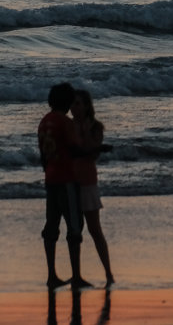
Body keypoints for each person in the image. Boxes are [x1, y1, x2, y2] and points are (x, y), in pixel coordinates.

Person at [38, 82, 91, 290]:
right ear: (67, 102)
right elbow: (74, 149)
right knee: (75, 228)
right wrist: (95, 150)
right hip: (67, 179)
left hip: (50, 179)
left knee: (51, 227)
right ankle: (76, 276)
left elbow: (43, 155)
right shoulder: (65, 122)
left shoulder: (44, 122)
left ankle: (52, 275)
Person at [70, 88, 115, 286]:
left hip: (87, 181)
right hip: (71, 180)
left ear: (87, 106)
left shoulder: (96, 127)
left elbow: (92, 153)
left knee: (95, 230)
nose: (74, 108)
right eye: (72, 104)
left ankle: (108, 274)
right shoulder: (69, 126)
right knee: (74, 230)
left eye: (78, 104)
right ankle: (77, 275)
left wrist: (86, 132)